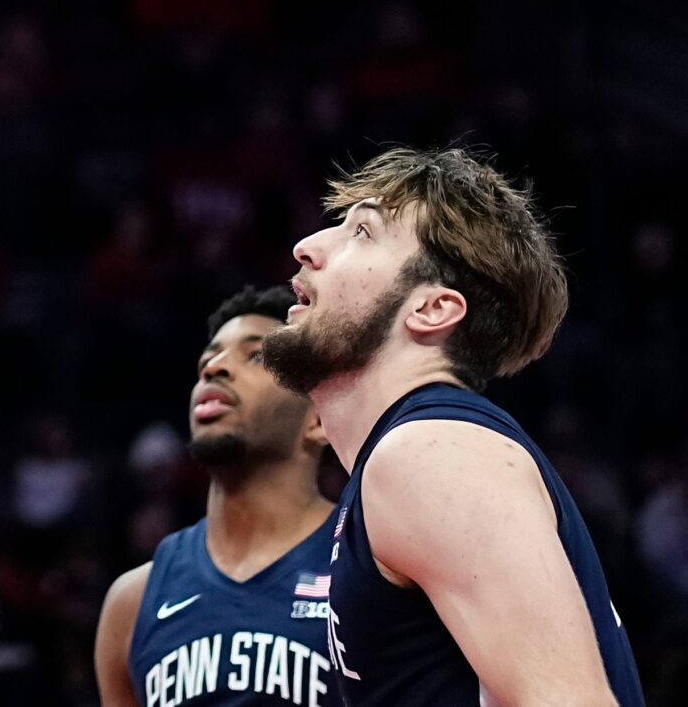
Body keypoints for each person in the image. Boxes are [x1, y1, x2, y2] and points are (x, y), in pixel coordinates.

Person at [253, 146, 644, 707]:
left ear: (433, 309)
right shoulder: (420, 452)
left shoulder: (431, 452)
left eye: (362, 231)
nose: (308, 246)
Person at [95, 285, 336, 707]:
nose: (215, 368)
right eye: (208, 359)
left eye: (255, 356)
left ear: (318, 417)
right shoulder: (132, 601)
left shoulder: (374, 565)